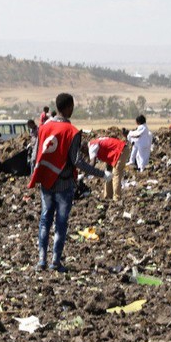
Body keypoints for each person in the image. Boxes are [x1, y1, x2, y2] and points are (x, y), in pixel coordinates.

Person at [29, 93, 110, 272]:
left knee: (44, 220)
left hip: (46, 183)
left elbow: (35, 157)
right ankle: (55, 262)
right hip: (64, 185)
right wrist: (101, 174)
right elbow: (77, 161)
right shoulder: (72, 132)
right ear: (69, 108)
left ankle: (41, 261)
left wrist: (38, 175)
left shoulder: (43, 128)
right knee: (61, 223)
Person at [88, 135, 130, 201]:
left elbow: (92, 163)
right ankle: (107, 196)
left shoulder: (92, 147)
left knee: (116, 174)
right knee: (108, 174)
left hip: (121, 151)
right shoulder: (96, 141)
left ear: (84, 148)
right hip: (114, 154)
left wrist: (84, 171)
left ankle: (117, 199)